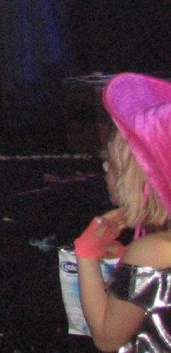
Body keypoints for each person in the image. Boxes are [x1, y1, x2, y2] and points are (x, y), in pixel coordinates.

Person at [75, 72, 171, 352]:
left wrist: (86, 255)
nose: (105, 167)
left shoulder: (154, 251)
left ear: (148, 176)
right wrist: (127, 270)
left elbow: (107, 337)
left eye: (115, 164)